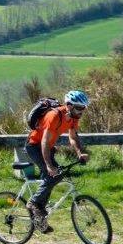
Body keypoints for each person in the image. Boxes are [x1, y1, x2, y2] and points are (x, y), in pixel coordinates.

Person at [25, 90, 90, 233]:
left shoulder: (73, 117)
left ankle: (39, 217)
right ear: (69, 105)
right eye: (79, 107)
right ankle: (34, 203)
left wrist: (80, 152)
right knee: (54, 174)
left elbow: (73, 137)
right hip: (35, 146)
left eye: (84, 108)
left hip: (48, 147)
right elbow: (44, 142)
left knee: (53, 177)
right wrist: (48, 165)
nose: (82, 111)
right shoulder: (53, 115)